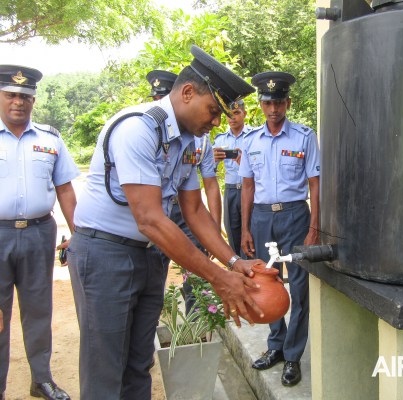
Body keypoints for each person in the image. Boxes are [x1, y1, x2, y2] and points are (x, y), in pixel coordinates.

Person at [68, 46, 265, 399]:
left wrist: (234, 261)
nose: (217, 122)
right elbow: (150, 219)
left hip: (150, 256)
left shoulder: (191, 141)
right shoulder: (138, 128)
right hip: (106, 254)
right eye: (213, 111)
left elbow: (195, 211)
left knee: (139, 363)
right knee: (105, 369)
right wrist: (219, 278)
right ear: (187, 92)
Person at [0, 65, 78, 400]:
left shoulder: (50, 139)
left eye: (25, 96)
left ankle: (41, 379)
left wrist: (78, 234)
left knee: (38, 310)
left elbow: (65, 190)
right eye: (11, 95)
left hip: (38, 232)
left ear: (34, 100)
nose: (18, 101)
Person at [239, 71, 320, 387]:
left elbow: (315, 183)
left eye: (279, 103)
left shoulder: (304, 137)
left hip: (295, 216)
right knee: (265, 284)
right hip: (262, 218)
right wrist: (245, 229)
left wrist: (314, 227)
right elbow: (247, 186)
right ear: (261, 105)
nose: (274, 109)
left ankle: (293, 355)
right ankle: (276, 345)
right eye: (268, 103)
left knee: (299, 286)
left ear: (288, 103)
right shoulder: (250, 141)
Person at [146, 70, 222, 313]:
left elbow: (207, 189)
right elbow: (149, 217)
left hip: (183, 212)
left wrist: (215, 234)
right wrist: (223, 275)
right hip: (153, 216)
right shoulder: (142, 131)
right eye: (156, 100)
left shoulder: (197, 138)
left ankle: (197, 322)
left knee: (196, 279)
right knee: (154, 274)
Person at [213, 100, 253, 256]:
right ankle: (237, 266)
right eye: (228, 114)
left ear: (244, 113)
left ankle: (252, 267)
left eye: (236, 113)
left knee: (251, 233)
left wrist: (245, 163)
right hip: (231, 191)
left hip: (250, 190)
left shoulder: (254, 136)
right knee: (232, 232)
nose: (232, 118)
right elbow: (209, 169)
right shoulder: (220, 140)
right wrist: (213, 159)